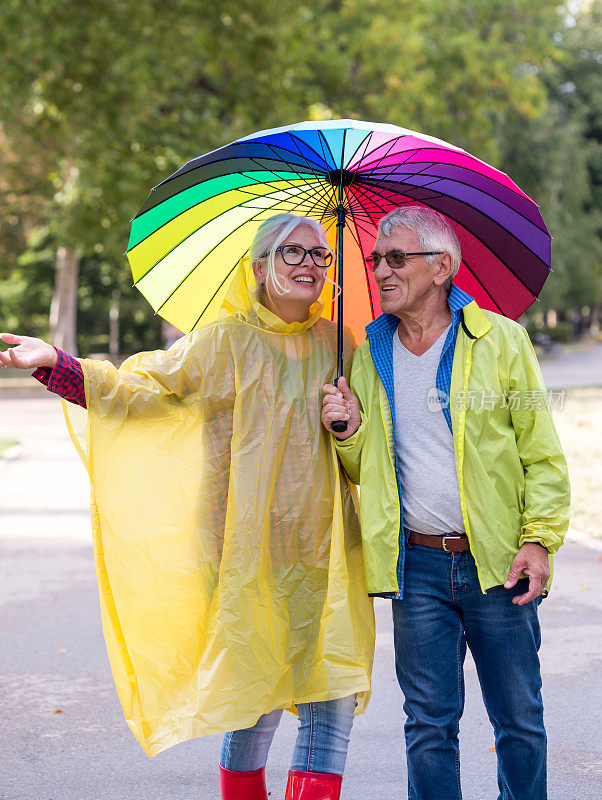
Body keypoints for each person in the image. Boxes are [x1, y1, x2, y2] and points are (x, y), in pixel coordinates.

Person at [0, 212, 375, 800]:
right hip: (244, 554)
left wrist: (349, 426)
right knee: (253, 698)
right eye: (292, 252)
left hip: (328, 554)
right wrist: (58, 364)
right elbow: (143, 390)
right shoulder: (225, 340)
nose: (309, 264)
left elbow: (368, 452)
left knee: (332, 699)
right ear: (259, 268)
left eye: (320, 255)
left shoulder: (342, 345)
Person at [321, 206, 570, 800]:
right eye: (377, 259)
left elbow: (543, 455)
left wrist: (538, 538)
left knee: (518, 722)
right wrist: (347, 432)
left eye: (397, 259)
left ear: (442, 268)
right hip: (418, 568)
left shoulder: (500, 342)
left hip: (497, 563)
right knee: (429, 726)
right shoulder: (368, 352)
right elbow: (368, 472)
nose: (380, 270)